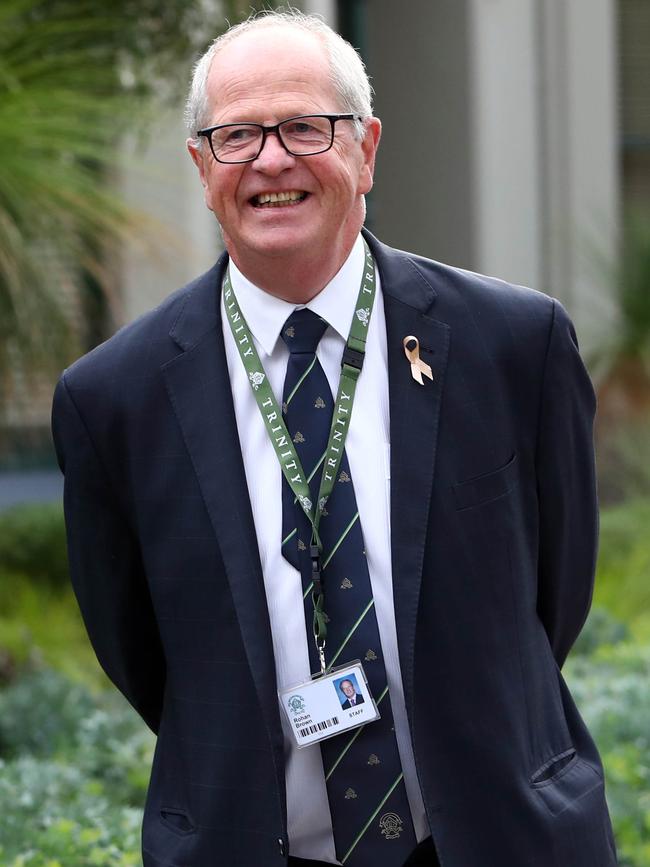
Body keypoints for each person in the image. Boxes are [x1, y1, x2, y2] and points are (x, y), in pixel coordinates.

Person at [51, 9, 618, 867]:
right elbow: (140, 650)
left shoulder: (514, 344)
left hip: (497, 836)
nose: (271, 160)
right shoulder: (114, 398)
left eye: (304, 126)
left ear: (366, 149)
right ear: (203, 168)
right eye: (237, 134)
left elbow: (554, 596)